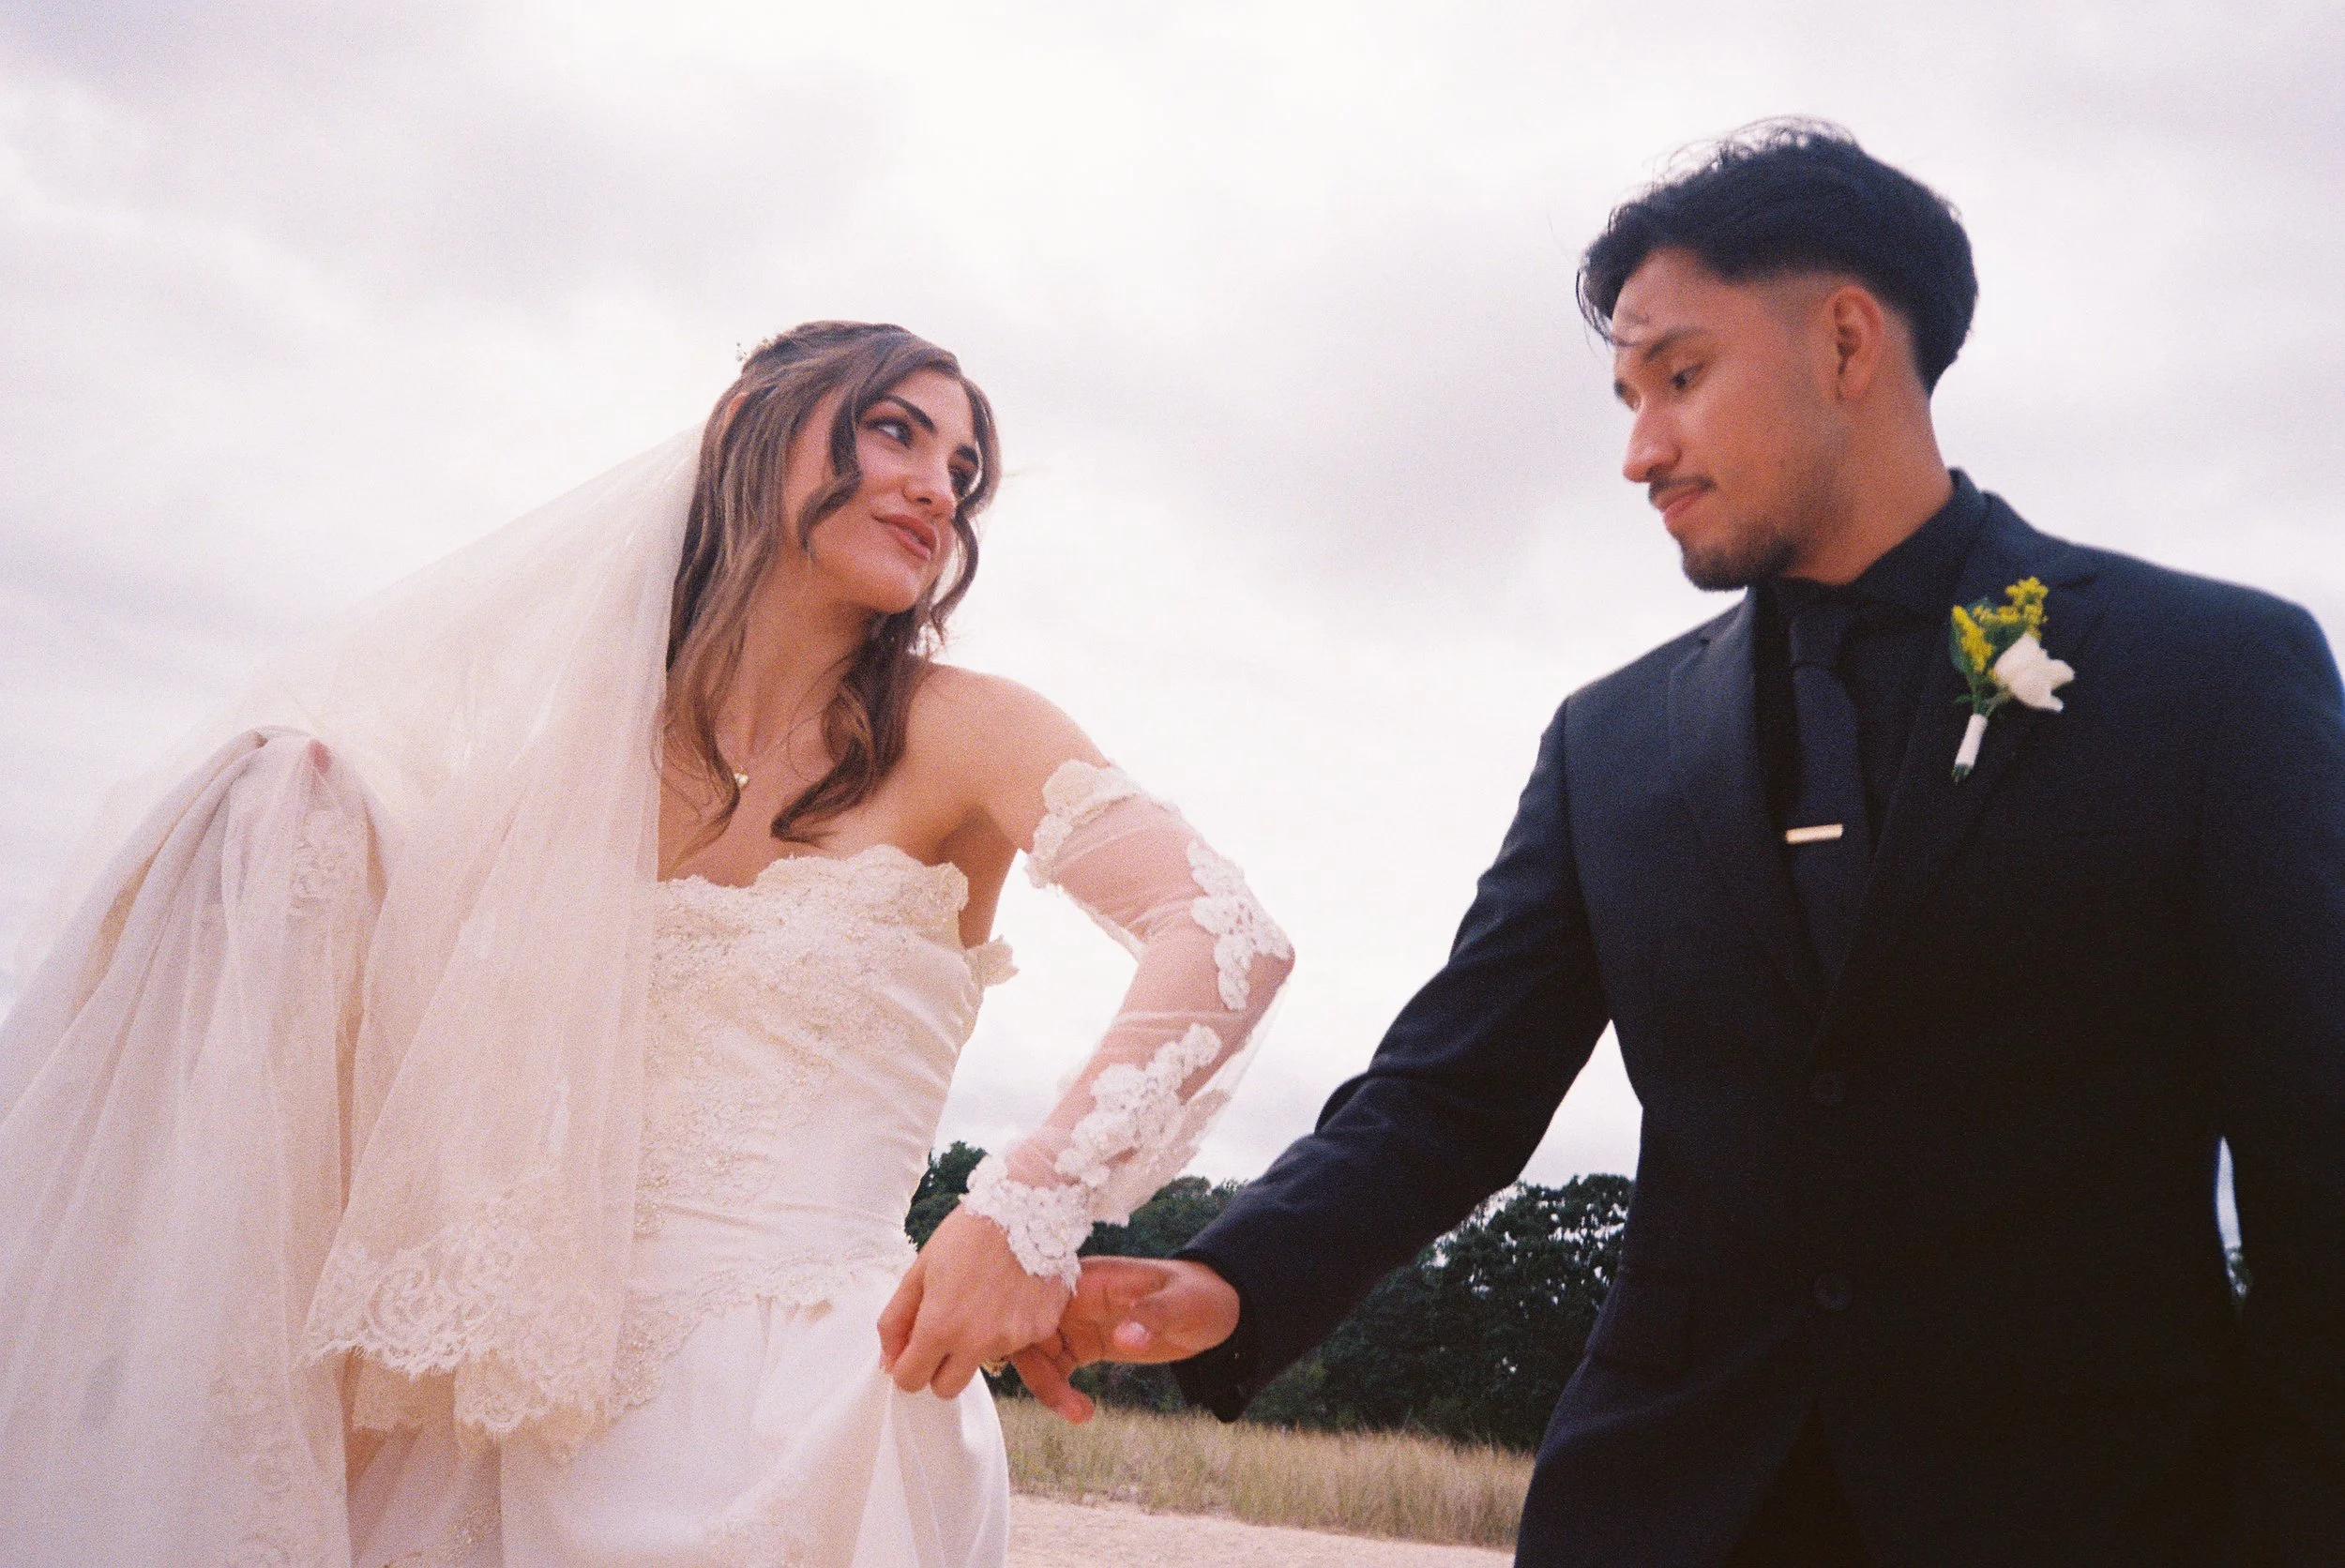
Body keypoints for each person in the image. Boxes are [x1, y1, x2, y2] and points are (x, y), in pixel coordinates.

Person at [1032, 124, 2345, 1565]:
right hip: (1661, 1512)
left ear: (1849, 340)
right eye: (1626, 394)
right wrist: (1231, 1280)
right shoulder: (1610, 745)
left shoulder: (2213, 676)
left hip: (2093, 1514)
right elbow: (1449, 1094)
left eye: (1680, 374)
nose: (1639, 448)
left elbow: (2314, 1168)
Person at [0, 321, 1293, 1566]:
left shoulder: (966, 731)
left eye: (964, 471)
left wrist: (1025, 1210)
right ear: (751, 427)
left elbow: (1221, 932)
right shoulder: (565, 773)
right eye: (896, 432)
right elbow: (406, 1048)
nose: (938, 489)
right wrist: (309, 831)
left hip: (811, 1413)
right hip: (511, 1418)